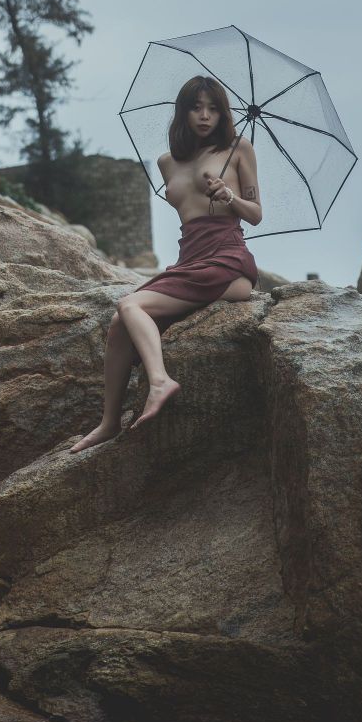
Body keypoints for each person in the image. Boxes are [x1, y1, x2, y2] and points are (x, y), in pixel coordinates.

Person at [70, 75, 262, 451]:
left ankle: (159, 381)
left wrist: (229, 197)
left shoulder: (239, 149)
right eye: (196, 107)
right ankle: (109, 423)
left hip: (227, 261)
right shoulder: (166, 162)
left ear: (223, 114)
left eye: (212, 108)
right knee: (118, 323)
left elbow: (255, 214)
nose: (204, 116)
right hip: (189, 259)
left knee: (130, 304)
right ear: (183, 112)